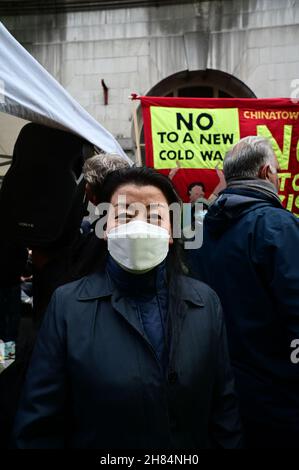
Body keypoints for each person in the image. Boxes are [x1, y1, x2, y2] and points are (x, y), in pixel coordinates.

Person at [13, 167, 242, 449]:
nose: (139, 226)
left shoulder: (205, 303)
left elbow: (224, 411)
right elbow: (39, 424)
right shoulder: (68, 306)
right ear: (105, 230)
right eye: (124, 215)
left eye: (155, 216)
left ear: (171, 232)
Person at [188, 136, 299, 448]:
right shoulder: (279, 226)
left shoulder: (200, 230)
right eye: (277, 172)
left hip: (219, 390)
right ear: (265, 173)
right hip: (278, 397)